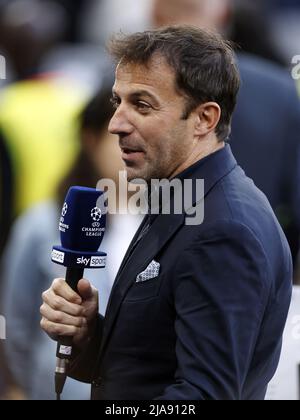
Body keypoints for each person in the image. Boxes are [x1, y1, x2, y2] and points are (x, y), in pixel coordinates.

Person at [40, 26, 292, 400]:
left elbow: (201, 397)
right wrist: (91, 335)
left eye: (142, 105)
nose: (116, 124)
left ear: (205, 119)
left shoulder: (224, 230)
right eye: (117, 102)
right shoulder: (181, 196)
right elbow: (149, 369)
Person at [1, 88, 141, 400]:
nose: (130, 145)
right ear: (90, 139)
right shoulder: (42, 222)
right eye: (117, 136)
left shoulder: (161, 222)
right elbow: (16, 321)